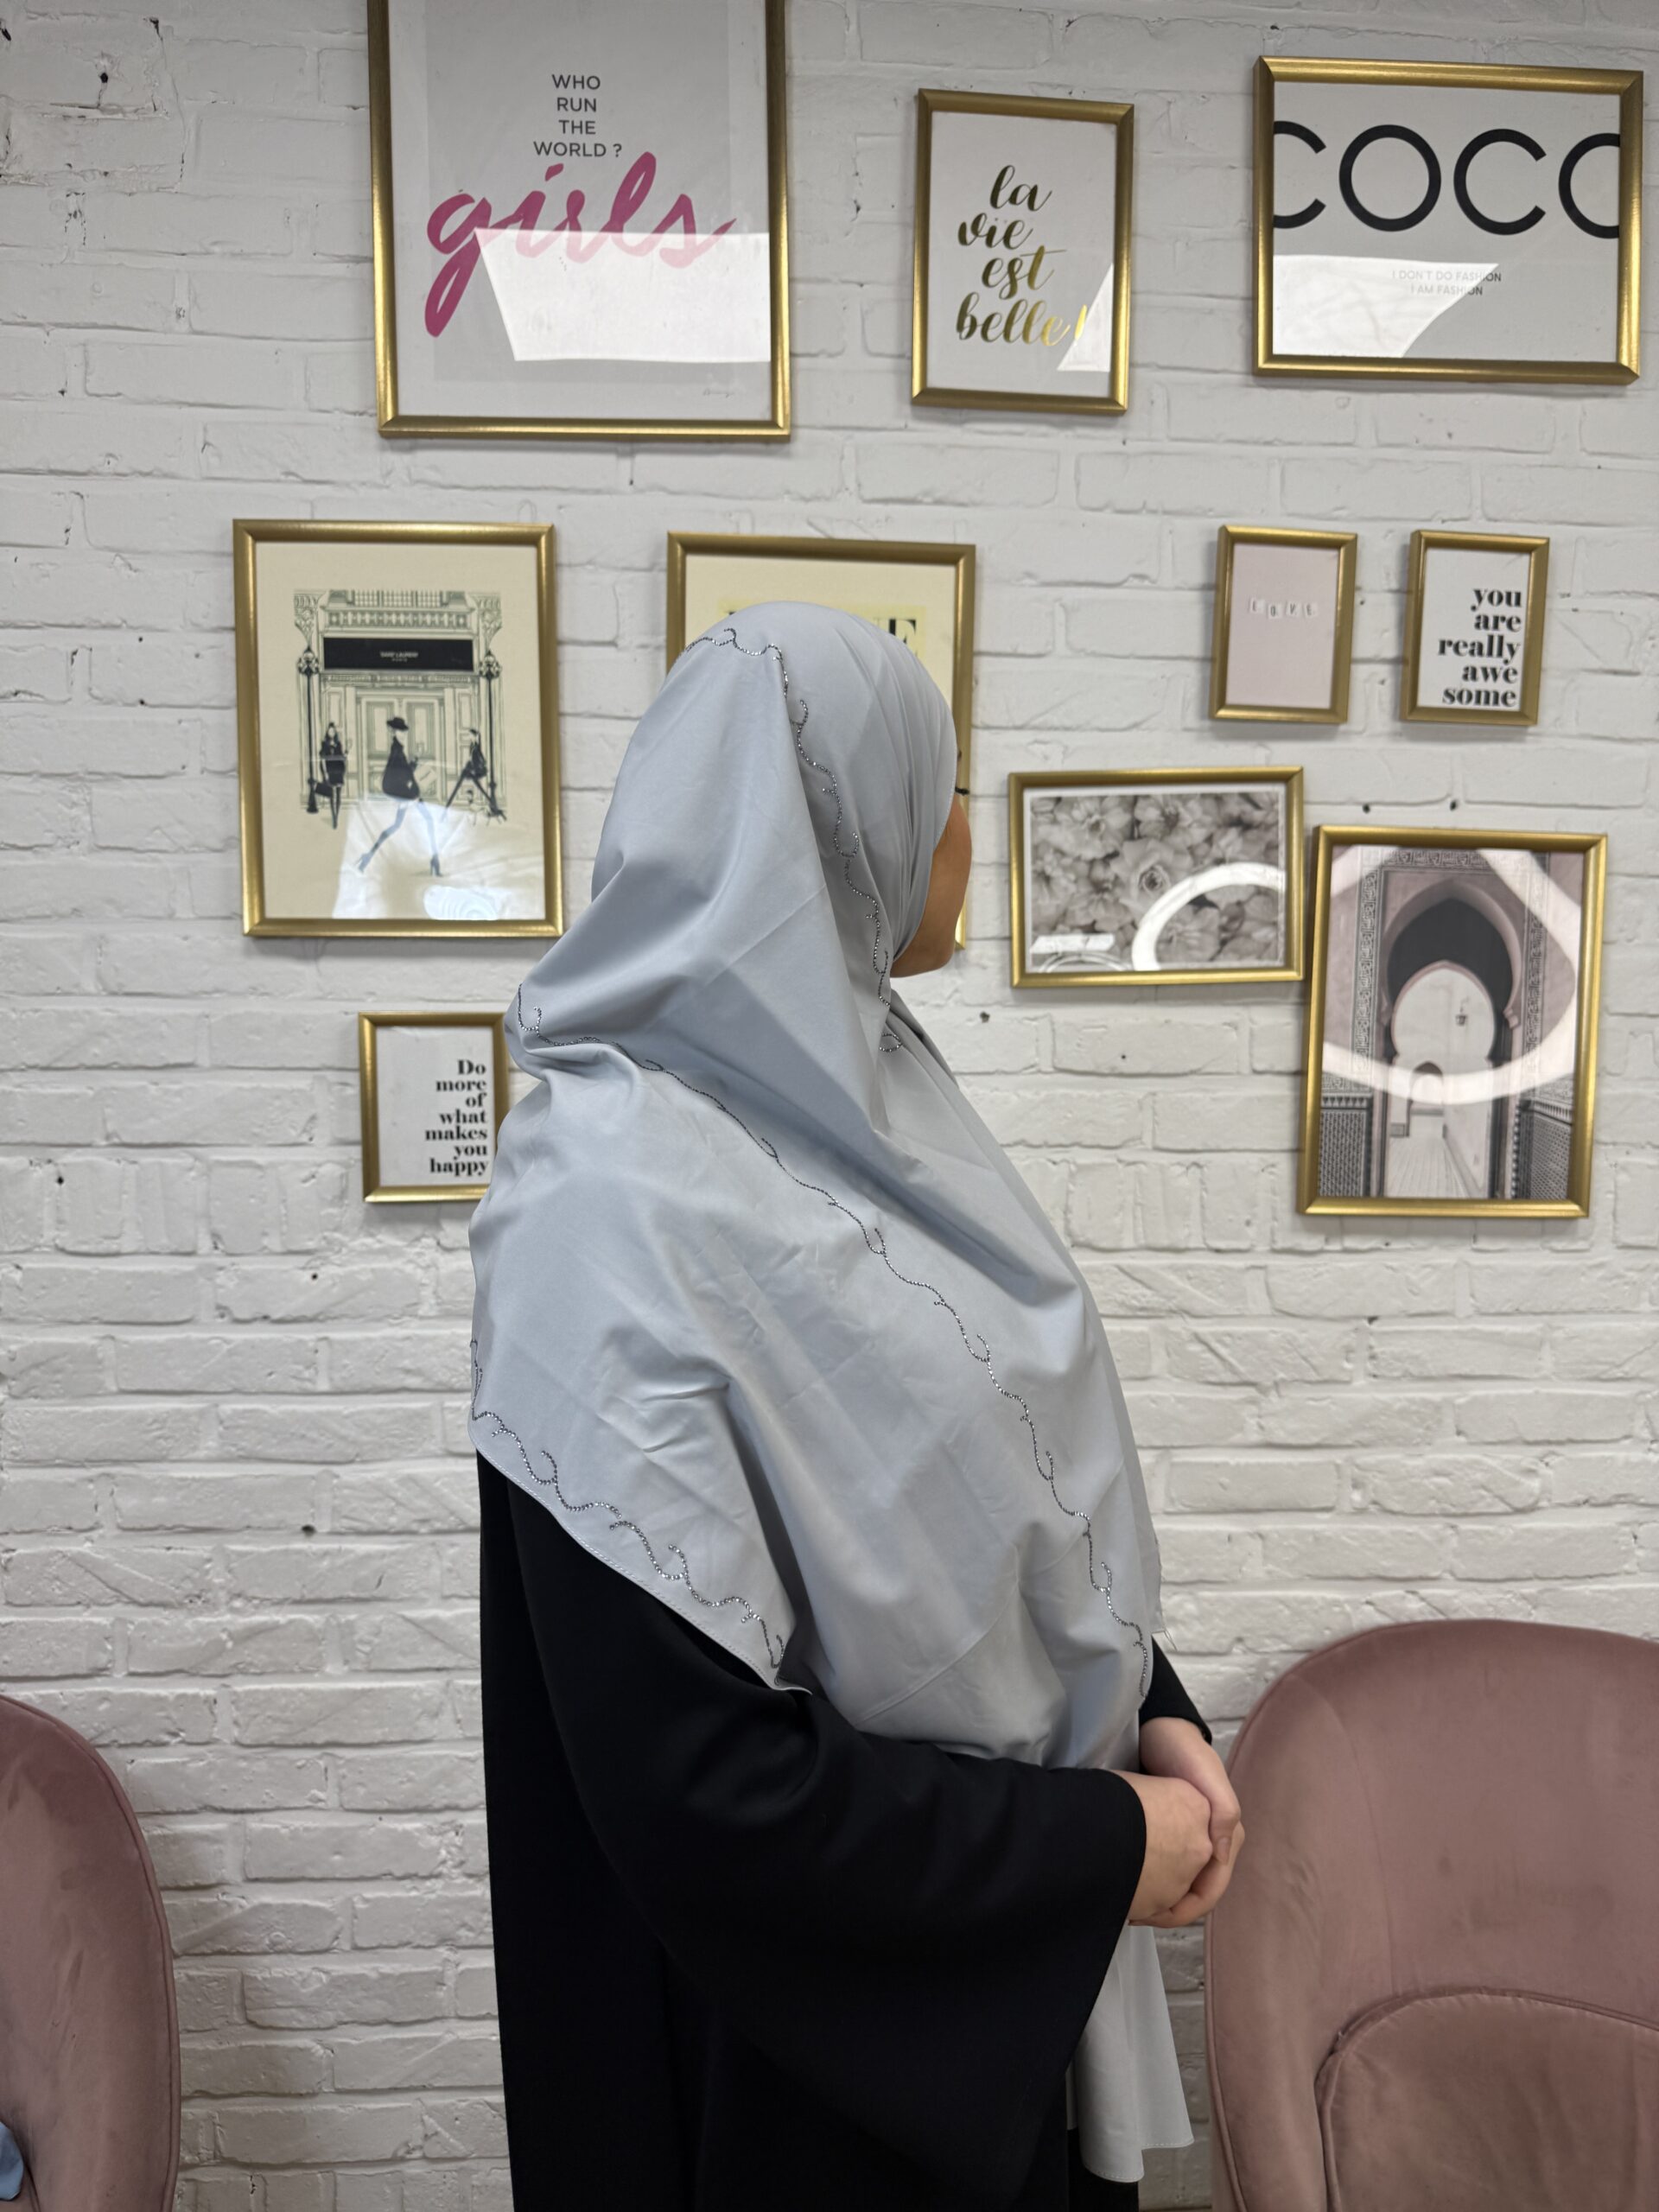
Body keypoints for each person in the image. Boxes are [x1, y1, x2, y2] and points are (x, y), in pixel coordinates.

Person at [468, 603, 1244, 2212]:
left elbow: (978, 1497)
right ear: (839, 820)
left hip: (989, 1968)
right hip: (780, 2071)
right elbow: (699, 1785)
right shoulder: (603, 1207)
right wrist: (1100, 1844)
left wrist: (1146, 1702)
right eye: (947, 786)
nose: (966, 832)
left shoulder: (875, 1107)